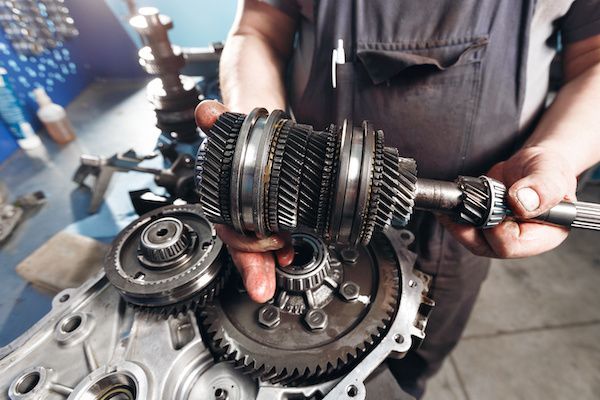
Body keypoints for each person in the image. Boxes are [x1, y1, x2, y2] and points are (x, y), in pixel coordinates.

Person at [195, 0, 600, 397]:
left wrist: (556, 155)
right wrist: (260, 161)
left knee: (412, 361)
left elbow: (594, 56)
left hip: (461, 229)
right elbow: (259, 29)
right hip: (305, 204)